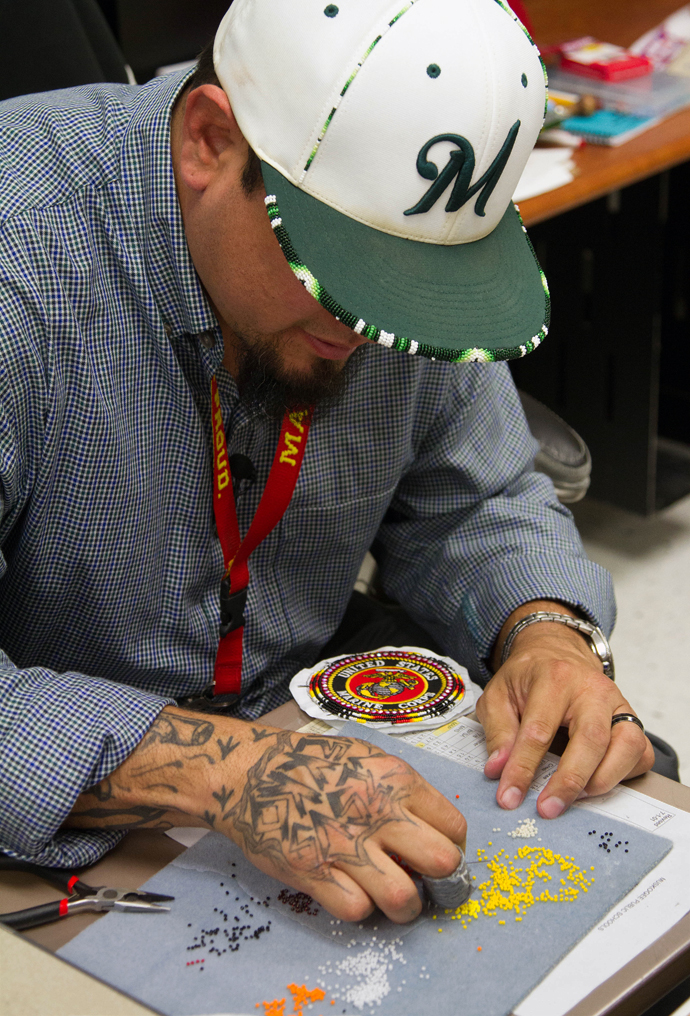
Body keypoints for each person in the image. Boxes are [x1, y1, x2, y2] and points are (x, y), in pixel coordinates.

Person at [0, 0, 653, 925]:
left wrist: (543, 631)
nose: (370, 327)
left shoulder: (404, 236)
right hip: (63, 810)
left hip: (300, 724)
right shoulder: (19, 254)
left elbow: (478, 500)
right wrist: (221, 769)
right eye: (342, 275)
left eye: (414, 285)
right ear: (208, 143)